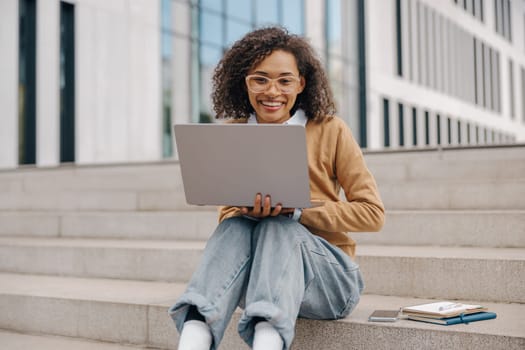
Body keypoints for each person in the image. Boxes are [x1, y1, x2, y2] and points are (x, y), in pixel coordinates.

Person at [168, 26, 384, 350]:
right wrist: (250, 212)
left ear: (301, 83)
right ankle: (194, 337)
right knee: (237, 226)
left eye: (284, 80)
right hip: (260, 283)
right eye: (260, 79)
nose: (272, 91)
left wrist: (299, 210)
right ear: (245, 82)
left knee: (281, 227)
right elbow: (228, 222)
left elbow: (373, 214)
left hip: (331, 284)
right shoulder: (232, 134)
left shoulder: (330, 130)